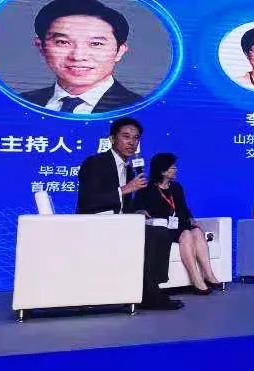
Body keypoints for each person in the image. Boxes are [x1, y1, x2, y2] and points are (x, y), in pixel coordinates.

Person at [76, 117, 182, 310]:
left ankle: (152, 288)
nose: (131, 142)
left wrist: (137, 211)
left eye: (136, 138)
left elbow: (122, 207)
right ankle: (150, 293)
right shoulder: (95, 162)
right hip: (95, 224)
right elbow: (88, 200)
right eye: (126, 136)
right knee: (153, 234)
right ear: (112, 139)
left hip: (118, 224)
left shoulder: (130, 170)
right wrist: (125, 189)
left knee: (160, 231)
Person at [21, 0, 142, 114]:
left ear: (119, 51)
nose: (78, 56)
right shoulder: (21, 104)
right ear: (41, 47)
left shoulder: (141, 109)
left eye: (96, 44)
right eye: (63, 42)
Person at [133, 153, 221, 295]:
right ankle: (196, 279)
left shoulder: (176, 187)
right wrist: (141, 212)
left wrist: (192, 220)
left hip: (179, 224)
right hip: (162, 228)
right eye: (172, 167)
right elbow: (136, 208)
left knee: (196, 231)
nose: (175, 170)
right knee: (186, 234)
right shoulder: (147, 188)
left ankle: (209, 275)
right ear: (163, 171)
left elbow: (183, 209)